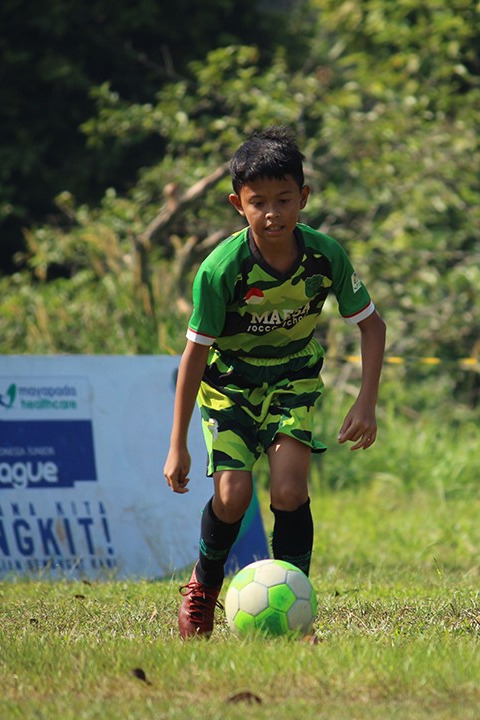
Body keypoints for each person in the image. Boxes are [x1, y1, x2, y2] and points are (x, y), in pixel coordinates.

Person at [163, 127, 386, 638]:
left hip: (292, 381)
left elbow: (372, 326)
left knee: (289, 490)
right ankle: (204, 586)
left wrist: (366, 402)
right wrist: (178, 444)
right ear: (237, 204)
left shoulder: (325, 256)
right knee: (233, 495)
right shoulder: (222, 270)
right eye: (258, 201)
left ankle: (296, 605)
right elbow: (194, 356)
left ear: (303, 197)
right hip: (229, 389)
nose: (273, 213)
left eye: (285, 199)